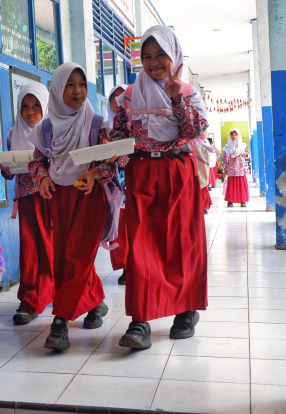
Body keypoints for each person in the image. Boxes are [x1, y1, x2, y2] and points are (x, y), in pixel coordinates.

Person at [110, 25, 208, 349]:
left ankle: (186, 309)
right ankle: (139, 321)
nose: (153, 63)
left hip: (177, 172)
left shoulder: (188, 91)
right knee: (139, 248)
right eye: (146, 56)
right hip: (140, 172)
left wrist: (177, 97)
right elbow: (119, 133)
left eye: (160, 55)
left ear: (174, 55)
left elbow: (195, 130)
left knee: (181, 243)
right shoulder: (129, 94)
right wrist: (106, 152)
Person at [28, 62, 117, 351]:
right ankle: (95, 301)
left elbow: (113, 159)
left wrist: (96, 174)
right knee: (64, 258)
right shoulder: (47, 127)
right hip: (60, 199)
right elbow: (36, 161)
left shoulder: (96, 123)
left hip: (88, 196)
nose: (77, 91)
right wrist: (41, 179)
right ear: (57, 89)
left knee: (78, 256)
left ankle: (60, 321)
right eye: (69, 84)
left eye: (82, 84)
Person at [0, 82, 53, 324]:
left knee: (51, 247)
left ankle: (60, 293)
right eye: (25, 106)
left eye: (36, 105)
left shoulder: (52, 131)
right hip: (26, 199)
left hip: (49, 197)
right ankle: (29, 300)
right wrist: (5, 170)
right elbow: (12, 173)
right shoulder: (13, 134)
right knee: (30, 250)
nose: (30, 111)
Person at [106, 84, 129, 285]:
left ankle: (137, 264)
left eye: (123, 98)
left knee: (133, 225)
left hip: (133, 183)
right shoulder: (104, 128)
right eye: (114, 99)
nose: (118, 103)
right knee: (117, 226)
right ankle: (124, 267)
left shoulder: (135, 123)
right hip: (112, 185)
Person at [222, 128, 251, 207]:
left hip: (240, 169)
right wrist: (224, 170)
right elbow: (224, 159)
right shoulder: (227, 147)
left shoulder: (243, 145)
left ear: (238, 136)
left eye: (235, 135)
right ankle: (230, 201)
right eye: (232, 135)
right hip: (230, 170)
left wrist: (244, 153)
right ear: (230, 136)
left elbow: (249, 155)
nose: (234, 136)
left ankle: (243, 201)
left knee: (241, 185)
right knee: (231, 186)